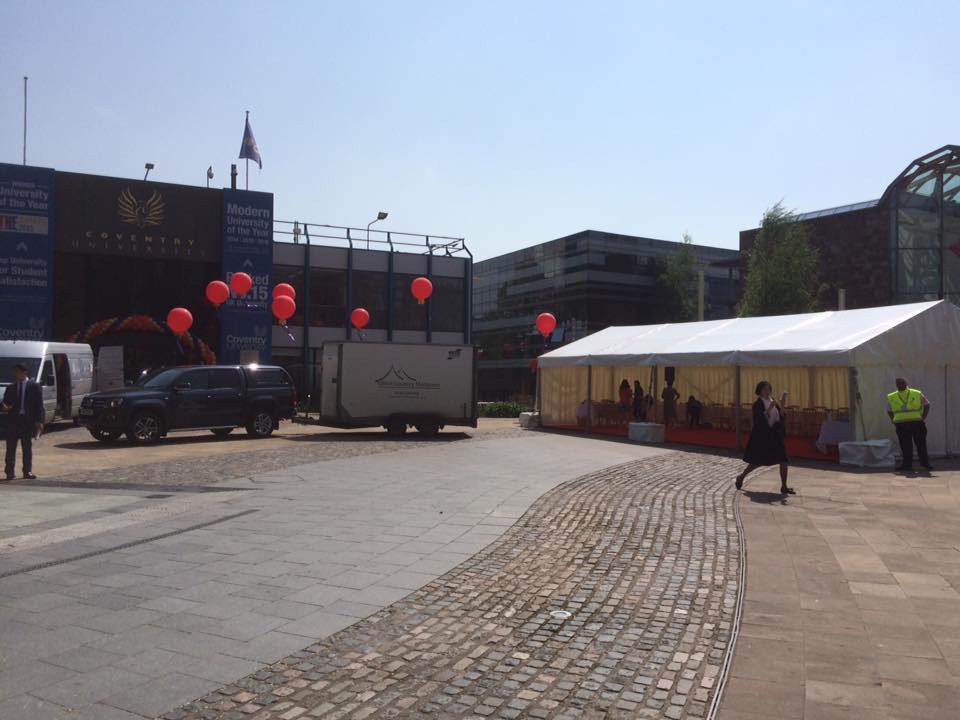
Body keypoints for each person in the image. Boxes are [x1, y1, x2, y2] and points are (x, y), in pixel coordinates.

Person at [735, 381, 793, 494]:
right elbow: (759, 420)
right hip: (764, 435)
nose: (767, 391)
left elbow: (781, 416)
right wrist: (769, 409)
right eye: (765, 389)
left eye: (769, 389)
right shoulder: (758, 403)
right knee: (757, 461)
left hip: (775, 434)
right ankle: (741, 477)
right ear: (760, 391)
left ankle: (784, 486)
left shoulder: (773, 402)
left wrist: (782, 405)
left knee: (783, 459)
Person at [2, 363, 44, 481]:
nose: (16, 375)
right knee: (11, 448)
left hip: (27, 421)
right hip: (13, 420)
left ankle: (27, 471)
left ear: (24, 373)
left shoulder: (34, 386)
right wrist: (5, 407)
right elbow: (5, 403)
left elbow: (39, 405)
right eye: (15, 372)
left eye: (18, 372)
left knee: (27, 447)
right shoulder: (11, 387)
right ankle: (9, 472)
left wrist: (39, 421)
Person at [886, 377, 931, 472]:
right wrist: (893, 419)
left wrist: (923, 417)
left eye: (902, 383)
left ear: (906, 383)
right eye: (898, 383)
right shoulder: (892, 396)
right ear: (896, 385)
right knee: (905, 446)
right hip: (902, 425)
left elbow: (927, 404)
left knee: (921, 444)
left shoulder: (916, 393)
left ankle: (925, 464)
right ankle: (907, 465)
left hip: (917, 423)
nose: (900, 384)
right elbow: (889, 410)